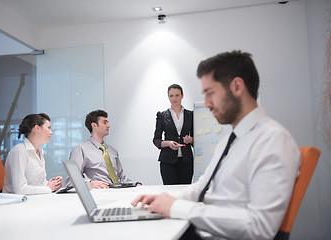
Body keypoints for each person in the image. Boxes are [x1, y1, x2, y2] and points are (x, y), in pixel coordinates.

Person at [132, 50, 301, 239]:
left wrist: (176, 207)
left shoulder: (273, 140)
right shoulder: (228, 142)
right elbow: (201, 188)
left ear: (237, 87)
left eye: (210, 93)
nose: (207, 104)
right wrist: (165, 200)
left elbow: (259, 227)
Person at [65, 110, 141, 189]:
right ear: (94, 125)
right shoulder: (80, 149)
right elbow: (71, 180)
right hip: (99, 194)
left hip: (119, 192)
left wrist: (135, 185)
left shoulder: (113, 151)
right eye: (105, 123)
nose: (108, 125)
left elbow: (122, 178)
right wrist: (89, 183)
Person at [3, 113, 62, 195]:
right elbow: (20, 190)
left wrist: (52, 185)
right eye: (48, 128)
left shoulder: (40, 151)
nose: (51, 132)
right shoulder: (19, 151)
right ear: (37, 128)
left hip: (32, 200)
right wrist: (48, 188)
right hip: (16, 203)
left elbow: (39, 184)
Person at [153, 84, 194, 185]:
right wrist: (168, 143)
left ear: (182, 96)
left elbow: (196, 138)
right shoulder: (162, 116)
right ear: (168, 97)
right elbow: (156, 140)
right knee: (170, 192)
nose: (174, 98)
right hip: (168, 161)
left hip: (186, 161)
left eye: (177, 95)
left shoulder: (191, 115)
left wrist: (191, 140)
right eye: (171, 96)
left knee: (185, 191)